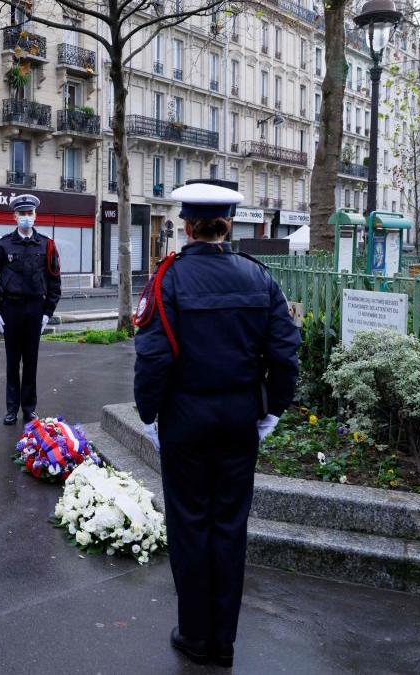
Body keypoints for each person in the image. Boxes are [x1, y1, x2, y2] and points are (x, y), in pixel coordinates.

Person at [133, 181, 299, 668]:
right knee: (229, 526)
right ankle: (222, 642)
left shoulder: (169, 278)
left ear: (186, 225)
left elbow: (153, 360)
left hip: (185, 420)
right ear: (229, 224)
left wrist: (149, 415)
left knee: (189, 526)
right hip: (237, 420)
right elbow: (286, 354)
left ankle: (194, 633)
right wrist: (271, 410)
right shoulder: (259, 278)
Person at [0, 194, 61, 426]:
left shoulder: (46, 245)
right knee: (12, 362)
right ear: (14, 216)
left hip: (35, 308)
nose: (26, 218)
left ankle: (29, 408)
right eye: (22, 214)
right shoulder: (3, 245)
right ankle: (11, 408)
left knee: (32, 362)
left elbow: (54, 281)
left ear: (35, 216)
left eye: (30, 214)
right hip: (11, 309)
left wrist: (48, 312)